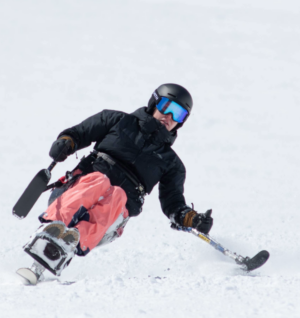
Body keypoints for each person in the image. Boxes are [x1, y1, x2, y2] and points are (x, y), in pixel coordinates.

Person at [19, 84, 213, 283]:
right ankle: (53, 229)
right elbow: (79, 133)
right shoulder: (116, 121)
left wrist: (190, 219)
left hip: (111, 219)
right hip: (75, 192)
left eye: (178, 114)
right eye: (166, 106)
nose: (169, 116)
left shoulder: (171, 163)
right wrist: (66, 143)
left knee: (119, 194)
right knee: (100, 180)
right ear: (154, 103)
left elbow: (173, 203)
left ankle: (72, 239)